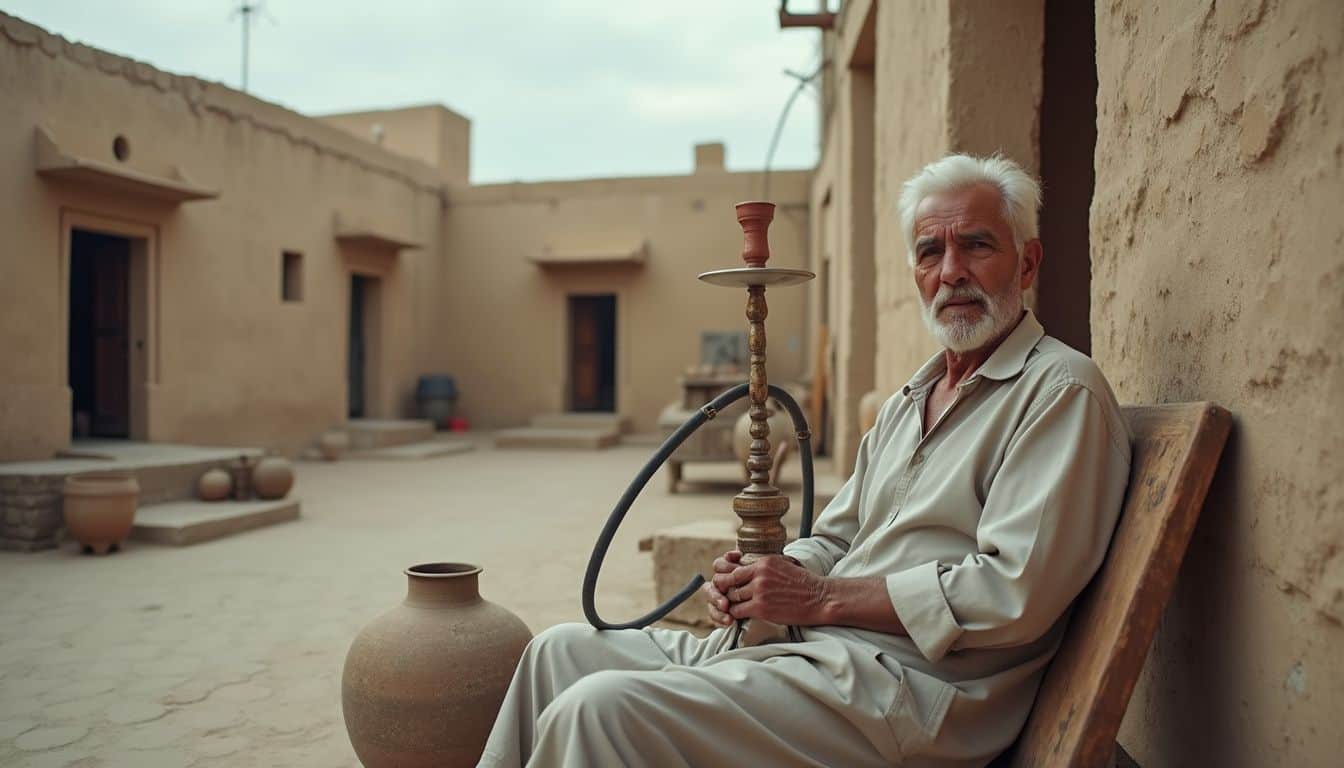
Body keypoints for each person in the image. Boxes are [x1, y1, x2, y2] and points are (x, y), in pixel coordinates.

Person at [478, 154, 1132, 768]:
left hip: (905, 692)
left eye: (977, 245)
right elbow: (837, 537)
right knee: (554, 654)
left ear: (1027, 263)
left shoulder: (1059, 393)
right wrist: (770, 576)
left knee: (598, 710)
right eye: (931, 251)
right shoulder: (911, 400)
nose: (952, 270)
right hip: (815, 653)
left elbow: (1012, 592)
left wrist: (820, 598)